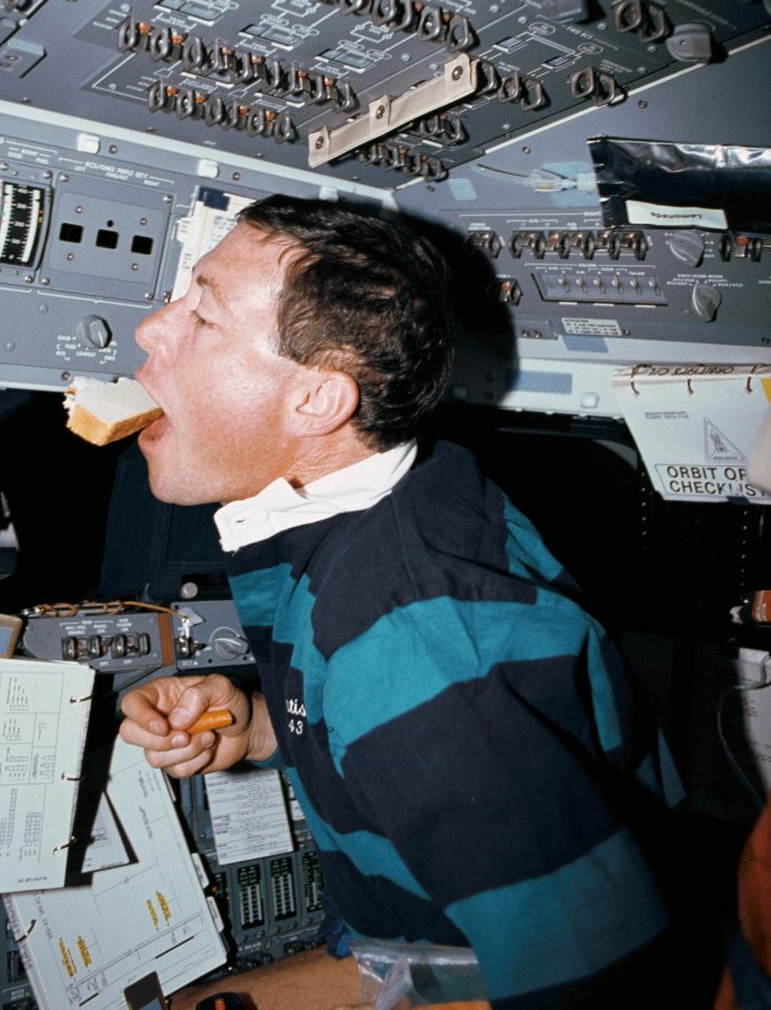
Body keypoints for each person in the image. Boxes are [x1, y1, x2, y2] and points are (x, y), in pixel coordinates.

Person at [120, 194, 684, 1008]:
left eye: (202, 317)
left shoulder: (416, 639)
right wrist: (258, 726)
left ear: (316, 401)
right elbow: (386, 717)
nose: (151, 330)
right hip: (404, 945)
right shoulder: (381, 499)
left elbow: (610, 988)